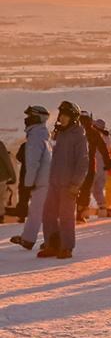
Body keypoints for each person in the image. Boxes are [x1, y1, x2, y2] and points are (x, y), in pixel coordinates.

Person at [38, 101, 88, 259]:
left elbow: (83, 162)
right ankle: (52, 245)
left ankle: (66, 247)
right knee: (48, 214)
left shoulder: (78, 135)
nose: (62, 118)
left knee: (66, 216)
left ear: (73, 117)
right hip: (54, 181)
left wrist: (76, 183)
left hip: (69, 184)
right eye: (61, 115)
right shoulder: (59, 133)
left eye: (65, 115)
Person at [11, 106, 51, 250]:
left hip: (40, 181)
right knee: (43, 211)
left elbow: (33, 163)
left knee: (37, 211)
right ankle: (33, 239)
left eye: (29, 116)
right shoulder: (41, 133)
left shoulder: (35, 136)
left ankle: (31, 240)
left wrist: (28, 183)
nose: (26, 119)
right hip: (44, 180)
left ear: (36, 118)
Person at [77, 111, 110, 222]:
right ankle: (101, 209)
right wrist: (108, 162)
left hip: (91, 166)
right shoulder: (104, 136)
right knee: (96, 190)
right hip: (99, 167)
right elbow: (105, 150)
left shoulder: (85, 132)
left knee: (86, 189)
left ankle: (82, 212)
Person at [0, 137, 15, 222]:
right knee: (1, 198)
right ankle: (1, 216)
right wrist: (13, 176)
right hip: (2, 177)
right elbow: (7, 161)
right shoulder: (0, 145)